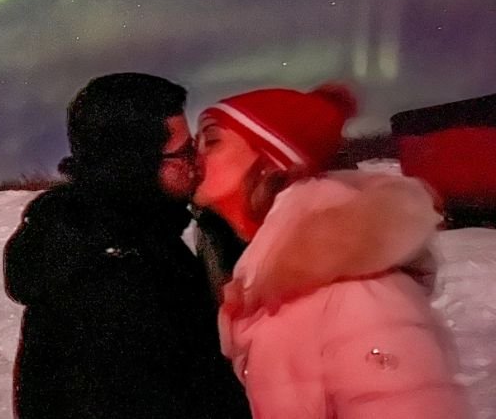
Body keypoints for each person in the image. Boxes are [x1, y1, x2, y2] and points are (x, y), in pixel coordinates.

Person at [193, 83, 471, 419]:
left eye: (212, 140)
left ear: (271, 161)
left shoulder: (359, 291)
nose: (195, 157)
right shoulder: (273, 275)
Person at [3, 73, 249, 419]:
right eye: (183, 152)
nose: (196, 163)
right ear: (134, 167)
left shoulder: (136, 241)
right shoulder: (113, 284)